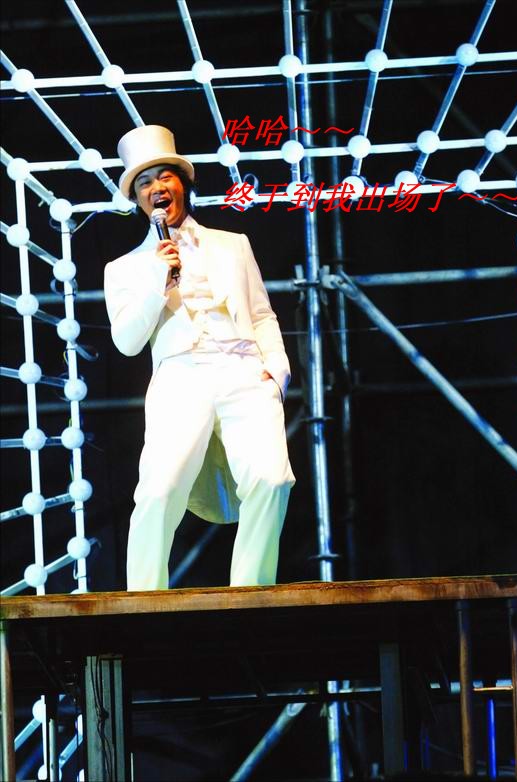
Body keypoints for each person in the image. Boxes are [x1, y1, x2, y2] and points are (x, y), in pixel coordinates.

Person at [104, 125, 295, 591]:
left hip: (244, 369)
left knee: (273, 479)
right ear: (137, 199)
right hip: (180, 376)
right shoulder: (124, 268)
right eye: (145, 182)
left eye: (164, 176)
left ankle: (251, 593)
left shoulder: (233, 244)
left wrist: (277, 371)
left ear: (182, 184)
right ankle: (144, 600)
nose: (156, 188)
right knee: (159, 490)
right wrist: (158, 279)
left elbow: (261, 313)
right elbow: (127, 342)